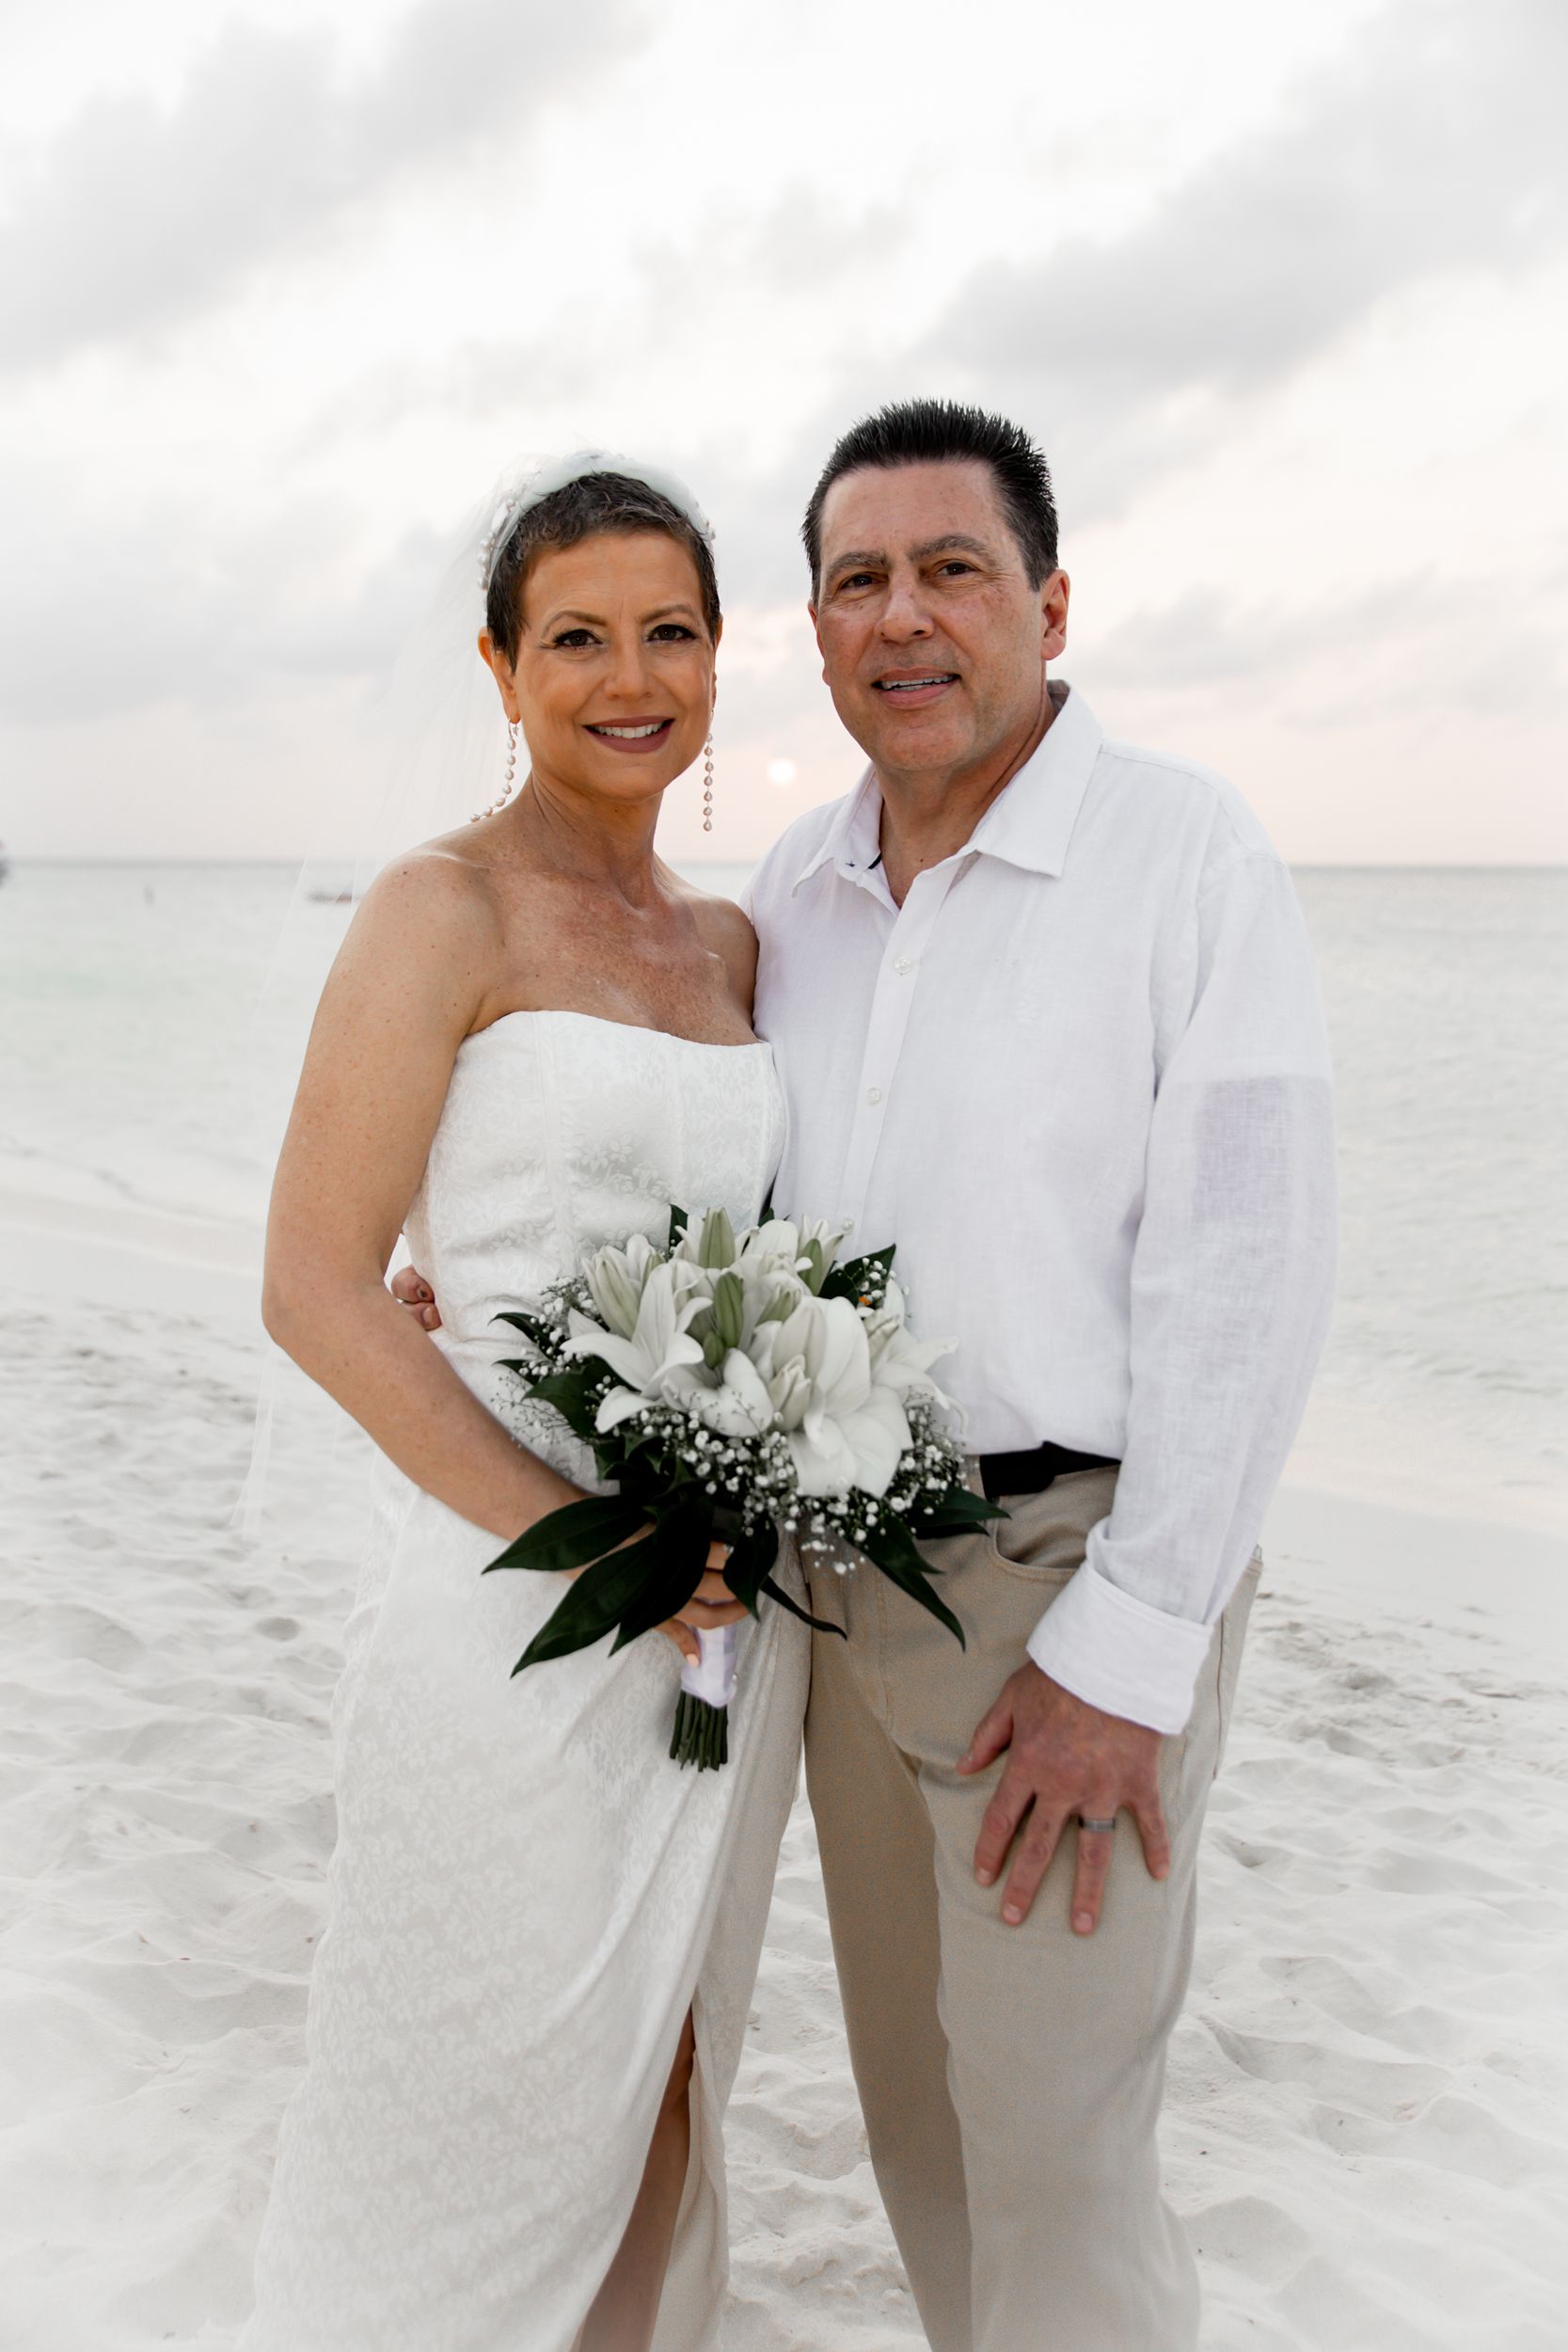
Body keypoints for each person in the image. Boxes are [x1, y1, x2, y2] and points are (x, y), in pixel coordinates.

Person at [397, 401, 1338, 2349]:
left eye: (952, 572)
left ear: (1050, 603)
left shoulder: (1185, 855)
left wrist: (1135, 1648)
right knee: (919, 2119)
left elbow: (1251, 1270)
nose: (903, 619)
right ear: (813, 634)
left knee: (1060, 2145)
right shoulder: (800, 895)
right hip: (825, 1587)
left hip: (1067, 1584)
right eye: (858, 581)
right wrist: (482, 1270)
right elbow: (717, 1176)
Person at [240, 457, 809, 2352]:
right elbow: (319, 1287)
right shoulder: (440, 907)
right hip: (517, 1607)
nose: (626, 673)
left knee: (657, 2077)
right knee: (466, 2095)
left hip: (724, 1614)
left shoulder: (729, 948)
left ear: (722, 661)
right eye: (577, 634)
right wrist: (607, 1548)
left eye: (670, 631)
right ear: (502, 663)